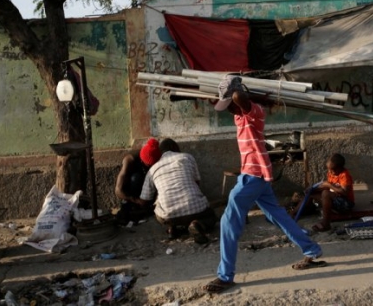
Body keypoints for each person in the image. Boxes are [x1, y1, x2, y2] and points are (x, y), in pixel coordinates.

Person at [203, 75, 326, 294]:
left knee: (228, 221)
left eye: (230, 104)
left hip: (254, 176)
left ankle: (225, 275)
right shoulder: (239, 117)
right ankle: (311, 249)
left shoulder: (255, 113)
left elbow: (241, 97)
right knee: (277, 215)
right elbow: (229, 103)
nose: (229, 110)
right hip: (255, 175)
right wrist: (220, 95)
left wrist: (235, 90)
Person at [136, 138, 217, 243]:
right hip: (196, 209)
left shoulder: (152, 170)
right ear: (176, 148)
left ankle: (172, 228)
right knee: (211, 216)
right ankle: (197, 224)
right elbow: (197, 184)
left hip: (168, 215)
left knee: (161, 206)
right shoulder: (187, 157)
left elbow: (144, 200)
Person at [290, 153, 354, 232]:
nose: (330, 171)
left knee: (325, 193)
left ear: (340, 168)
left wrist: (329, 185)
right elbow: (327, 186)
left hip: (345, 204)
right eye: (329, 169)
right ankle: (293, 213)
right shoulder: (331, 173)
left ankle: (326, 223)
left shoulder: (344, 175)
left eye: (332, 170)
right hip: (335, 200)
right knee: (312, 194)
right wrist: (314, 189)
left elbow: (344, 192)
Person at [114, 148, 154, 226]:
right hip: (133, 192)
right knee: (135, 178)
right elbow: (118, 190)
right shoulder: (129, 160)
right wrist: (135, 200)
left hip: (147, 191)